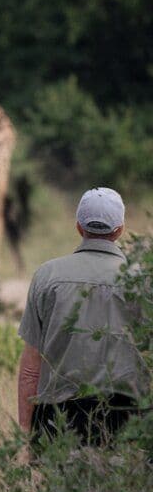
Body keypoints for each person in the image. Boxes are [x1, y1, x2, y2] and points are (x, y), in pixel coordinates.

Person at [18, 187, 144, 446]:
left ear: (78, 227)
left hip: (59, 419)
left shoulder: (48, 275)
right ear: (120, 229)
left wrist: (25, 436)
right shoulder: (142, 279)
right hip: (128, 417)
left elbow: (31, 369)